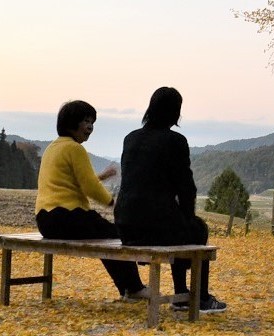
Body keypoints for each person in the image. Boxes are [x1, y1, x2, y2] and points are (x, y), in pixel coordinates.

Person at [114, 87, 226, 314]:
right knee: (197, 229)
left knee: (183, 227)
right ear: (176, 112)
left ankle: (183, 293)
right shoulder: (175, 141)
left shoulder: (130, 138)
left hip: (125, 225)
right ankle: (198, 297)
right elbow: (186, 187)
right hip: (154, 226)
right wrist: (188, 217)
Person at [35, 100, 146, 300]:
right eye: (86, 121)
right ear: (71, 123)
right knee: (117, 237)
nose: (90, 127)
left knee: (106, 236)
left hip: (46, 220)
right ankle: (134, 288)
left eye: (92, 122)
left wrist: (102, 177)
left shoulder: (52, 148)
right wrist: (112, 203)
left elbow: (74, 182)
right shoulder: (75, 149)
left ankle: (130, 289)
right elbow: (88, 187)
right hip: (68, 216)